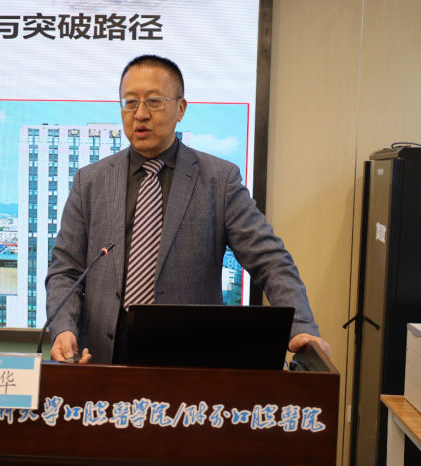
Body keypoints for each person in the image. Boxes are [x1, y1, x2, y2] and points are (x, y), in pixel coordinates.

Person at [46, 55, 330, 364]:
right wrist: (64, 327)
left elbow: (270, 260)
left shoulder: (218, 179)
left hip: (189, 357)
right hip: (101, 356)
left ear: (180, 108)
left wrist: (301, 327)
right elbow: (65, 269)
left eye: (154, 101)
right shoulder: (90, 181)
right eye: (130, 102)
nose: (140, 114)